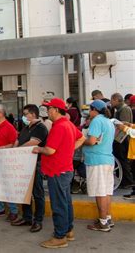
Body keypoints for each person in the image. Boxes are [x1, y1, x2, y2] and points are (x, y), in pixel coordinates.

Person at [32, 98, 85, 249]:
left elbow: (49, 150)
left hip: (57, 171)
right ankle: (68, 230)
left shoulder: (59, 126)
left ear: (55, 110)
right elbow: (82, 138)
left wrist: (38, 149)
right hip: (65, 169)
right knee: (66, 201)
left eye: (49, 109)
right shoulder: (68, 124)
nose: (47, 111)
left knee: (59, 204)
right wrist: (68, 150)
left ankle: (59, 236)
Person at [11, 104, 48, 232]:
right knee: (24, 192)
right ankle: (27, 217)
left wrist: (16, 151)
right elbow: (18, 139)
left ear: (32, 114)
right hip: (23, 164)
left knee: (37, 194)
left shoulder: (40, 128)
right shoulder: (26, 127)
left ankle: (38, 220)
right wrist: (13, 150)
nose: (24, 116)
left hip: (35, 164)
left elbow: (33, 143)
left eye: (25, 114)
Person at [81, 100, 115, 231]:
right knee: (106, 191)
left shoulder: (96, 121)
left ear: (94, 109)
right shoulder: (108, 121)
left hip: (96, 160)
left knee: (100, 192)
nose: (89, 112)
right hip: (108, 159)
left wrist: (81, 140)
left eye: (90, 109)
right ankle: (107, 218)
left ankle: (102, 223)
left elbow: (91, 141)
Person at [111, 93, 133, 189]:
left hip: (122, 140)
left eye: (112, 100)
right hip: (119, 140)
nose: (111, 102)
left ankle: (127, 182)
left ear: (116, 100)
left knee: (123, 160)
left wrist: (117, 140)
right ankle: (124, 181)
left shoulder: (124, 109)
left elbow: (123, 127)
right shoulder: (119, 109)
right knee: (120, 160)